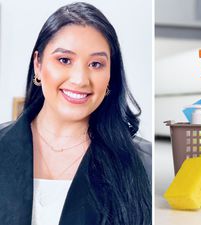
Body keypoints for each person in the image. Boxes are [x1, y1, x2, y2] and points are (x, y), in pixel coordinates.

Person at [0, 2, 152, 225]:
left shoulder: (143, 162)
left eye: (96, 64)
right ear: (38, 65)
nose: (80, 79)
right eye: (64, 60)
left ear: (111, 75)